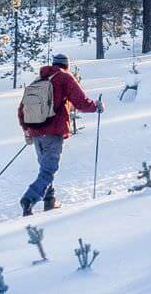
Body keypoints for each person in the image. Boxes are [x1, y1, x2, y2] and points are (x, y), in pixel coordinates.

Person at [18, 53, 101, 215]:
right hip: (52, 131)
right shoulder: (64, 77)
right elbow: (81, 102)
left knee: (45, 168)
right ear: (66, 65)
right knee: (48, 170)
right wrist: (96, 106)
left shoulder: (39, 80)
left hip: (36, 133)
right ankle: (29, 198)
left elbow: (22, 109)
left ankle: (50, 200)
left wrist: (26, 130)